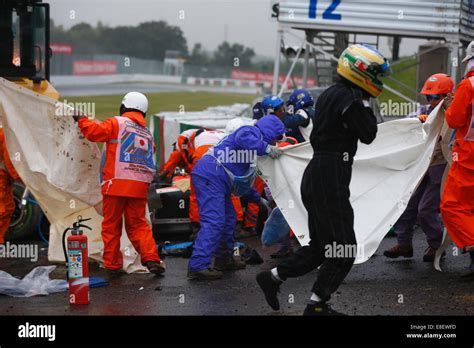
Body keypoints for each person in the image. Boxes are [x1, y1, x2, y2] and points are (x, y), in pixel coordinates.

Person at [256, 44, 390, 315]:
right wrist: (365, 101)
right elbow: (368, 133)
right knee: (344, 248)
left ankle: (273, 277)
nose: (378, 81)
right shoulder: (352, 97)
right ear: (360, 71)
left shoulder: (331, 93)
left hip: (317, 172)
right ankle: (316, 304)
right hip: (329, 175)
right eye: (375, 74)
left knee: (321, 247)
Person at [74, 92, 165, 275]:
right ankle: (151, 258)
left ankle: (113, 265)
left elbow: (95, 132)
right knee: (139, 225)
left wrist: (82, 119)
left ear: (124, 107)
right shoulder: (147, 133)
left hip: (116, 184)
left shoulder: (117, 122)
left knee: (111, 226)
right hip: (139, 186)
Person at [188, 115, 286, 280]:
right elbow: (243, 137)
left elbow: (242, 182)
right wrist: (266, 148)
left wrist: (258, 199)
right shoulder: (249, 131)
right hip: (212, 176)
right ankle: (198, 266)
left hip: (214, 177)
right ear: (270, 132)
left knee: (228, 218)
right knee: (215, 221)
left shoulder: (248, 151)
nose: (275, 143)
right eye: (275, 138)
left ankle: (224, 260)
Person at [384, 73, 453, 262]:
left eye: (435, 97)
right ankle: (404, 243)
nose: (431, 101)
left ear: (447, 96)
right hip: (421, 166)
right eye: (428, 97)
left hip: (440, 167)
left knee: (426, 210)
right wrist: (418, 123)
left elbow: (456, 130)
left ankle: (436, 246)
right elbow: (406, 125)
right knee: (405, 205)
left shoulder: (455, 113)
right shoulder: (422, 111)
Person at [440, 41, 474, 278]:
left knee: (452, 206)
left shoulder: (468, 85)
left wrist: (450, 106)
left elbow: (454, 120)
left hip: (468, 155)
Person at [187, 128, 244, 241]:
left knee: (196, 193)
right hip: (221, 154)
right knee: (231, 191)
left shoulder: (194, 135)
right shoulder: (223, 134)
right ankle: (236, 226)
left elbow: (189, 156)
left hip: (201, 155)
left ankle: (197, 228)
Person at [0, 127, 20, 244]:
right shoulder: (6, 132)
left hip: (4, 176)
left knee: (7, 208)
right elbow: (10, 158)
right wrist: (19, 178)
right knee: (2, 210)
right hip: (2, 175)